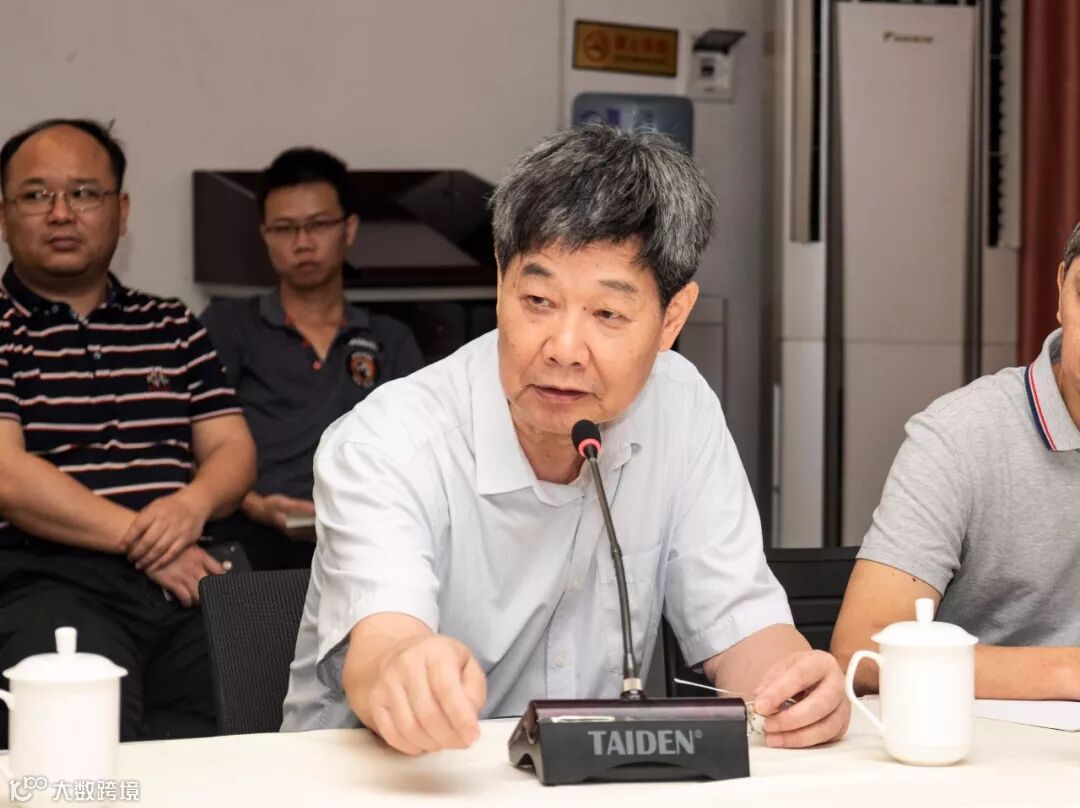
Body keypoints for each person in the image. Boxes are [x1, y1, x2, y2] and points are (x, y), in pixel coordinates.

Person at [281, 124, 850, 753]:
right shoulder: (387, 443)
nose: (564, 349)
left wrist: (794, 687)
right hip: (390, 779)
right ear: (500, 281)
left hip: (588, 779)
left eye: (607, 313)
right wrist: (407, 669)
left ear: (672, 318)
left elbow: (742, 627)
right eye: (537, 299)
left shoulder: (680, 406)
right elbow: (384, 646)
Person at [0, 119, 256, 744]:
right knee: (77, 748)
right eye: (36, 195)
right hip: (45, 582)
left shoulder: (172, 324)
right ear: (4, 217)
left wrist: (192, 505)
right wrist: (144, 541)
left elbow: (232, 449)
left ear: (122, 211)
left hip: (188, 575)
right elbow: (7, 476)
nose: (62, 213)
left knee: (270, 722)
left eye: (84, 193)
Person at [832, 221, 1080, 701]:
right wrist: (1068, 671)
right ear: (1060, 291)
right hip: (977, 736)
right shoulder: (960, 434)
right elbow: (860, 649)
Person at [200, 148, 422, 570]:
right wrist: (254, 504)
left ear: (349, 229)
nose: (302, 243)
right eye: (284, 228)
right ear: (265, 235)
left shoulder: (391, 340)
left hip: (366, 544)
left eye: (318, 224)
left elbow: (420, 455)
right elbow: (189, 443)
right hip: (248, 544)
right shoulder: (228, 326)